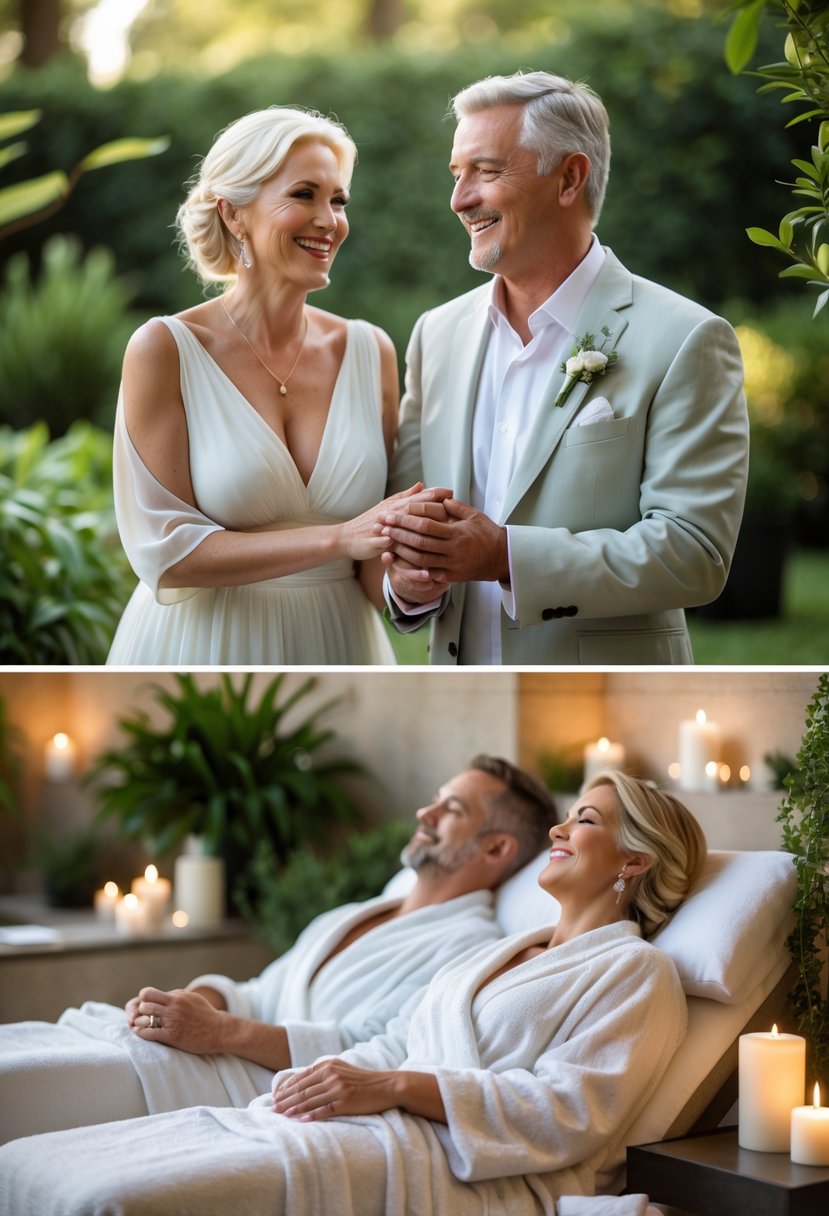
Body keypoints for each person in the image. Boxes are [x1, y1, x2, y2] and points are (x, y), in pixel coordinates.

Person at [0, 773, 707, 1216]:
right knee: (43, 1165)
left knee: (109, 1198)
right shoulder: (506, 953)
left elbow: (567, 1113)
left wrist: (393, 1086)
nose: (561, 827)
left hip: (451, 1159)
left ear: (634, 860)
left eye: (585, 820)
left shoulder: (636, 975)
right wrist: (325, 1078)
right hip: (361, 1119)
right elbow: (395, 1037)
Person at [381, 70, 749, 665]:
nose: (459, 199)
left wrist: (504, 556)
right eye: (456, 174)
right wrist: (410, 580)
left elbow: (694, 553)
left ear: (569, 178)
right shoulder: (436, 334)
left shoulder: (687, 338)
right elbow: (408, 520)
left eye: (487, 171)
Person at [0, 756, 557, 1144]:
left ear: (498, 848)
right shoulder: (358, 914)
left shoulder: (470, 951)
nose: (424, 815)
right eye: (434, 801)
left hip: (257, 1089)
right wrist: (193, 1001)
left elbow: (378, 1050)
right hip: (203, 1053)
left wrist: (219, 1033)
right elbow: (262, 990)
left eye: (451, 810)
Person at [106, 105, 439, 665]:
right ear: (234, 214)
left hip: (341, 649)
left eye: (338, 200)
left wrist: (407, 585)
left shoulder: (368, 350)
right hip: (204, 650)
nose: (329, 220)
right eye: (304, 194)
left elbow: (369, 564)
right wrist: (337, 539)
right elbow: (170, 555)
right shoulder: (165, 350)